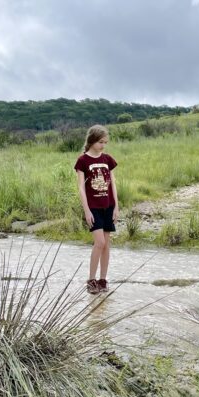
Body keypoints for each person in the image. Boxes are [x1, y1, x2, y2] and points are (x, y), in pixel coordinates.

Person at [74, 124, 119, 293]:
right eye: (101, 142)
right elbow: (81, 188)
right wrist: (86, 210)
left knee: (107, 244)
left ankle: (103, 281)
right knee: (99, 242)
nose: (103, 145)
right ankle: (91, 281)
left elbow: (113, 183)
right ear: (92, 141)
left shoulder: (107, 159)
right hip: (93, 207)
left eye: (105, 142)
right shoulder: (83, 161)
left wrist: (116, 206)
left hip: (108, 206)